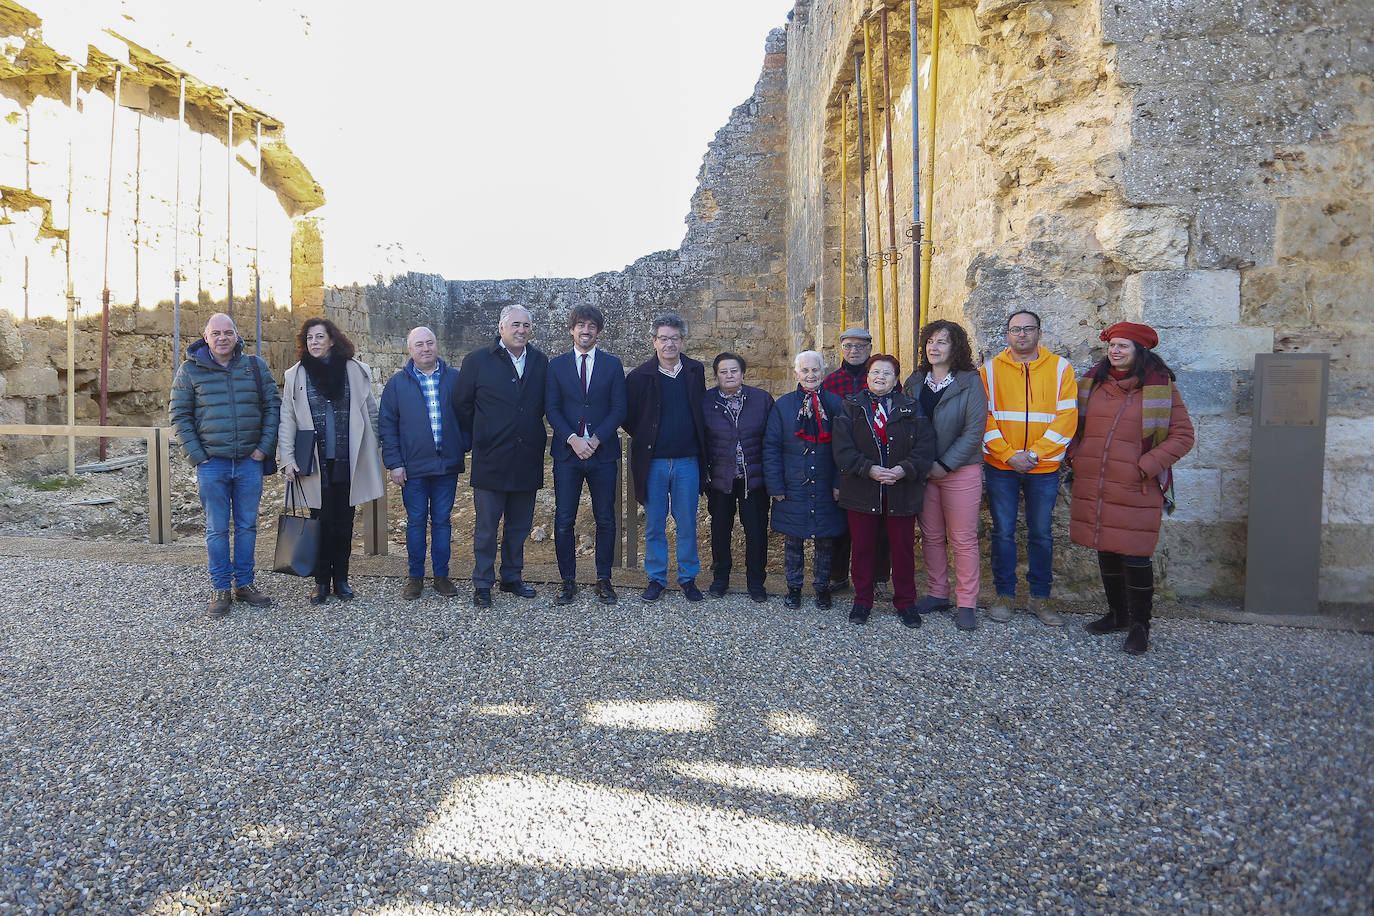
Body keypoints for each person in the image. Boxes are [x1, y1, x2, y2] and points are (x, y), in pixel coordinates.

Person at [1069, 321, 1194, 655]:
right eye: (1112, 345)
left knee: (1136, 555)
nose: (1115, 350)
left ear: (1140, 350)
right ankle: (1117, 615)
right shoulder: (1092, 383)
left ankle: (1141, 626)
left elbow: (1183, 436)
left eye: (1123, 345)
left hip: (1136, 486)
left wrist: (1145, 467)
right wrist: (1076, 457)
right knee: (1106, 547)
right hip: (1094, 480)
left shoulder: (1160, 387)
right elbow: (1073, 426)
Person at [169, 313, 280, 617]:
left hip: (249, 462)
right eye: (215, 333)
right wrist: (198, 455)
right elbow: (180, 416)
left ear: (236, 336)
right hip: (212, 464)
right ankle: (220, 588)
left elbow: (273, 406)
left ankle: (244, 584)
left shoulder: (254, 367)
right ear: (205, 337)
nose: (222, 338)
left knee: (247, 526)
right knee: (217, 529)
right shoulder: (190, 371)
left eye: (227, 332)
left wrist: (262, 449)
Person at [980, 309, 1078, 627]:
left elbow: (1067, 418)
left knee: (1041, 534)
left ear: (1039, 332)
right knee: (1003, 533)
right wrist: (1009, 455)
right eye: (1015, 329)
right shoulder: (990, 371)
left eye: (1028, 329)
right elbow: (984, 418)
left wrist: (1033, 455)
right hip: (1001, 465)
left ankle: (1040, 597)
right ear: (1007, 335)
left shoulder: (1061, 368)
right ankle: (1004, 595)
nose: (1021, 334)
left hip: (1044, 467)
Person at [278, 318, 385, 605]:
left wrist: (373, 448)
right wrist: (287, 458)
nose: (314, 342)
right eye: (310, 338)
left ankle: (342, 579)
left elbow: (371, 413)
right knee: (319, 522)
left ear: (332, 340)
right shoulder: (296, 375)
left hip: (348, 459)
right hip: (313, 462)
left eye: (320, 337)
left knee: (344, 522)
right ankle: (321, 581)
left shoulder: (354, 371)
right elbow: (287, 417)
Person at [455, 305, 549, 608]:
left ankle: (511, 577)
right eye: (515, 325)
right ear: (501, 327)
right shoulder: (477, 361)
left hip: (527, 457)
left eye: (526, 325)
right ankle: (482, 582)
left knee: (519, 526)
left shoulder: (539, 361)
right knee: (486, 528)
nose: (521, 330)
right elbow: (461, 404)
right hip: (491, 458)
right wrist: (481, 435)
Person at [833, 354, 936, 626]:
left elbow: (925, 447)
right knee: (863, 547)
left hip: (901, 490)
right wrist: (868, 469)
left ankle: (905, 603)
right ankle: (862, 602)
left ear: (896, 379)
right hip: (862, 488)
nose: (881, 377)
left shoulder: (911, 407)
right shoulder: (851, 406)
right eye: (875, 372)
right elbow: (842, 449)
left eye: (887, 373)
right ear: (867, 376)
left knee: (902, 550)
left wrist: (904, 469)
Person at [903, 320, 987, 631]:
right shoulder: (915, 381)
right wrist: (921, 464)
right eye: (930, 342)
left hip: (961, 470)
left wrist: (946, 464)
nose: (934, 348)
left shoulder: (969, 381)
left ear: (956, 348)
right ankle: (938, 593)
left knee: (963, 539)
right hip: (924, 472)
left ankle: (967, 602)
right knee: (932, 536)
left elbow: (974, 429)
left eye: (942, 342)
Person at [624, 313, 709, 603]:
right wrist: (649, 436)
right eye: (663, 338)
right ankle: (656, 579)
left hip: (687, 461)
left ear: (683, 341)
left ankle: (688, 578)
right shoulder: (639, 376)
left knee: (687, 524)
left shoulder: (695, 371)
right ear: (654, 341)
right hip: (654, 463)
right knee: (654, 524)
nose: (669, 343)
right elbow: (629, 418)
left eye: (675, 338)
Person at [545, 305, 626, 606]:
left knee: (605, 518)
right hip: (567, 454)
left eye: (592, 325)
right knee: (564, 519)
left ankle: (603, 579)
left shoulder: (612, 364)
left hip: (602, 453)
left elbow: (619, 408)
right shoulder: (557, 365)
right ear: (571, 329)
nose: (586, 330)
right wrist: (572, 439)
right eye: (580, 325)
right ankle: (568, 581)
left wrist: (594, 439)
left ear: (599, 332)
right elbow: (551, 408)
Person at [379, 326, 466, 600]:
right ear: (410, 350)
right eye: (419, 344)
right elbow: (387, 426)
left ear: (437, 346)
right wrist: (394, 463)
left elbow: (469, 415)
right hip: (413, 469)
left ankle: (441, 576)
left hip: (446, 466)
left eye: (430, 343)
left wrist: (463, 444)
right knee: (416, 522)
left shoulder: (455, 378)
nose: (425, 348)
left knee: (442, 521)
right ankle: (415, 576)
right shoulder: (396, 384)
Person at [764, 351, 847, 610]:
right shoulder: (784, 405)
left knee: (825, 541)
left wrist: (838, 484)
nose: (810, 375)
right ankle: (794, 588)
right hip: (792, 485)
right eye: (805, 371)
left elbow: (844, 449)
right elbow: (771, 447)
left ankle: (822, 588)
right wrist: (776, 486)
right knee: (793, 541)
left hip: (825, 484)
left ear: (823, 373)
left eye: (815, 370)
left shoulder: (836, 404)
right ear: (797, 373)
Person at [821, 326, 887, 595]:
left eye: (860, 345)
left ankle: (878, 577)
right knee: (840, 524)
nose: (854, 350)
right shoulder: (830, 383)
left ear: (869, 349)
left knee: (879, 525)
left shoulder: (882, 378)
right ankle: (837, 575)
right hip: (843, 460)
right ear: (841, 349)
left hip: (878, 461)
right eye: (848, 345)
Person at [703, 352, 773, 602]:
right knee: (720, 529)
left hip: (753, 479)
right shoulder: (706, 402)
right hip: (720, 479)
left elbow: (771, 439)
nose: (729, 375)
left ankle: (756, 582)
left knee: (756, 531)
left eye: (734, 371)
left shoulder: (761, 399)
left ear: (743, 374)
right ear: (716, 375)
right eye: (724, 371)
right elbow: (702, 441)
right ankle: (720, 578)